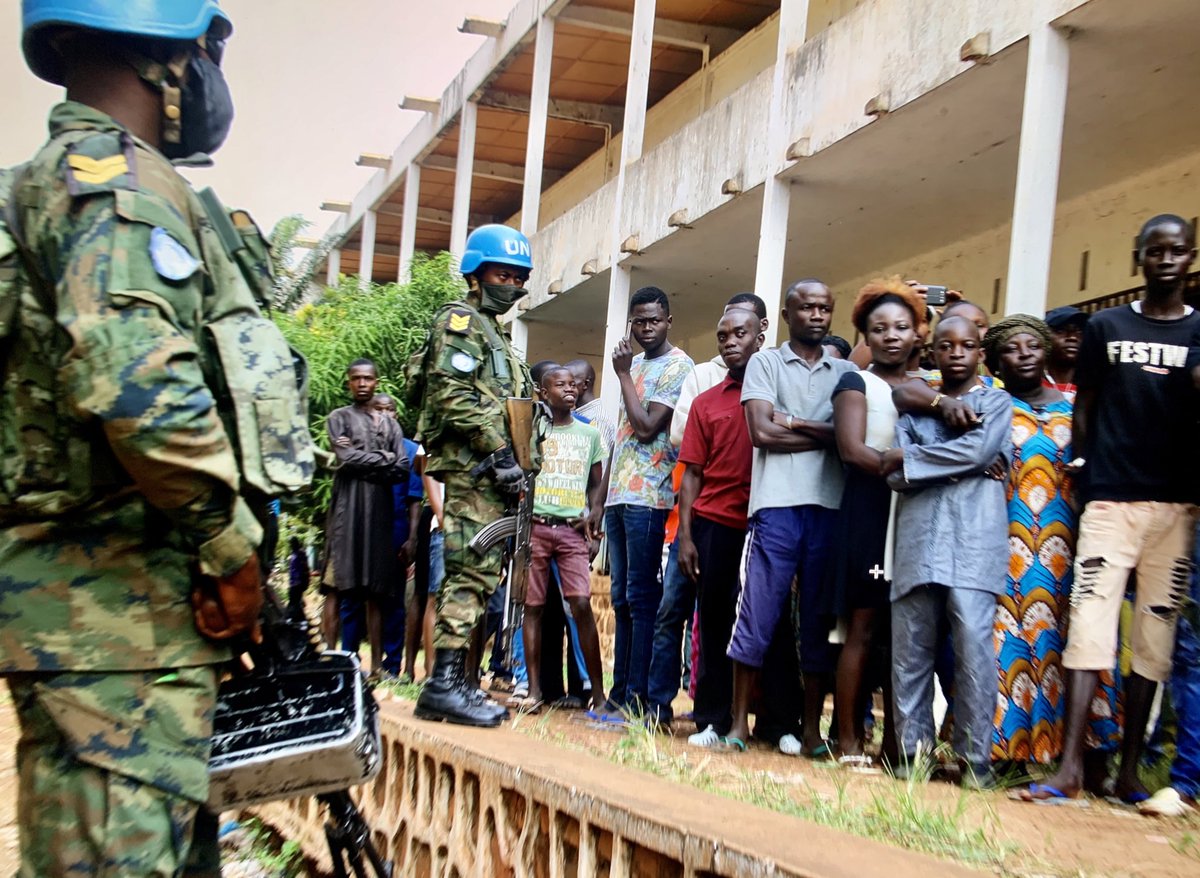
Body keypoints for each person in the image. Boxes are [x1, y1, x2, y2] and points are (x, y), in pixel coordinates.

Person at [1, 2, 315, 872]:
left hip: (103, 626)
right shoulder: (117, 184)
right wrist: (231, 549)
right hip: (116, 627)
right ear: (166, 60)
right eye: (210, 51)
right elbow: (139, 386)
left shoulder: (63, 180)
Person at [1026, 214, 1200, 802]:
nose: (1167, 260)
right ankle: (1070, 768)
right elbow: (1087, 405)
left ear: (1190, 256)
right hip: (1110, 501)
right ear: (1139, 256)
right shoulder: (1105, 326)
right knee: (1090, 629)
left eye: (1178, 251)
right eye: (1156, 251)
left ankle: (1128, 772)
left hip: (1177, 508)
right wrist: (1083, 463)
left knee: (1153, 637)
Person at [413, 224, 536, 728]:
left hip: (497, 475)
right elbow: (452, 395)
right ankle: (442, 685)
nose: (510, 283)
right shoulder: (460, 322)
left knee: (483, 576)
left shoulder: (496, 336)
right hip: (475, 470)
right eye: (501, 273)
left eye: (518, 276)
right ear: (476, 274)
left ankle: (459, 682)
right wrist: (500, 454)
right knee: (469, 572)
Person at [726, 279, 855, 755]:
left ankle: (812, 732)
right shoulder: (765, 362)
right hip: (775, 507)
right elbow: (761, 432)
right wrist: (829, 436)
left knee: (821, 622)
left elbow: (850, 435)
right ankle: (739, 724)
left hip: (828, 508)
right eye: (807, 307)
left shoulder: (844, 371)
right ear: (787, 314)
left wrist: (797, 422)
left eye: (825, 307)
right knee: (757, 613)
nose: (817, 315)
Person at [882, 315, 1012, 788]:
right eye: (946, 345)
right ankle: (913, 757)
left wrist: (914, 460)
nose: (957, 352)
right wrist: (968, 462)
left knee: (975, 652)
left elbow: (975, 454)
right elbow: (892, 474)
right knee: (910, 653)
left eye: (968, 345)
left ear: (981, 352)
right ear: (933, 351)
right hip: (919, 540)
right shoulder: (916, 407)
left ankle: (975, 762)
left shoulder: (996, 401)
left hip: (975, 540)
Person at [647, 293, 768, 728]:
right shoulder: (707, 398)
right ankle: (711, 718)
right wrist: (687, 537)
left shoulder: (775, 393)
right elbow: (691, 471)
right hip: (715, 525)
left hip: (764, 524)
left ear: (761, 334)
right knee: (712, 622)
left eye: (740, 333)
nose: (730, 342)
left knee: (763, 623)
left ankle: (774, 721)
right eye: (723, 336)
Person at [825, 279, 924, 766]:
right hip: (868, 515)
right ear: (864, 333)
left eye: (901, 327)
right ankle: (847, 741)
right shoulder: (856, 383)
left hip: (920, 521)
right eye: (878, 328)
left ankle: (896, 747)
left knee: (903, 636)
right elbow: (853, 451)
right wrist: (919, 462)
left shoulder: (932, 387)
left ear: (918, 333)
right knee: (861, 630)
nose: (890, 336)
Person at [593, 286, 693, 717]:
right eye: (638, 321)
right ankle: (620, 694)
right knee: (619, 597)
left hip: (650, 496)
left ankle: (637, 697)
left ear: (669, 320)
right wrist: (598, 501)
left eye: (653, 320)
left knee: (640, 596)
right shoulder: (631, 364)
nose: (646, 328)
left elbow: (648, 425)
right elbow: (620, 435)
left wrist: (620, 376)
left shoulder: (679, 365)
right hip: (618, 496)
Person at [982, 316, 1077, 768]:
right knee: (1005, 642)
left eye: (1031, 346)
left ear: (1045, 352)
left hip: (1062, 544)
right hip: (1004, 540)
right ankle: (1002, 751)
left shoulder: (1073, 411)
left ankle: (1053, 750)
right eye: (1011, 348)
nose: (1023, 354)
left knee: (1057, 642)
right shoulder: (990, 405)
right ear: (997, 361)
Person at [520, 366, 608, 712]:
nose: (569, 390)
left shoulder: (591, 435)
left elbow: (596, 484)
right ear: (544, 393)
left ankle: (599, 694)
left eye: (573, 385)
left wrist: (594, 517)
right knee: (533, 607)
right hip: (537, 528)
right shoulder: (532, 433)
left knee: (582, 604)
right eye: (560, 385)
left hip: (572, 531)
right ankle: (533, 690)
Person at [321, 361, 410, 674]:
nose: (362, 383)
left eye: (368, 378)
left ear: (376, 381)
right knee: (346, 589)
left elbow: (401, 466)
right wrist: (382, 459)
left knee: (376, 591)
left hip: (379, 514)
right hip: (347, 512)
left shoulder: (390, 425)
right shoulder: (339, 418)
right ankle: (341, 661)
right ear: (348, 383)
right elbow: (344, 460)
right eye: (356, 378)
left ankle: (375, 667)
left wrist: (366, 459)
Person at [1043, 305, 1090, 403]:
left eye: (1080, 332)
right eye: (1061, 331)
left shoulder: (1093, 388)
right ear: (1044, 337)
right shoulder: (1030, 385)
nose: (1073, 337)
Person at [288, 536, 311, 622]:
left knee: (294, 601)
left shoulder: (296, 556)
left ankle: (299, 619)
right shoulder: (301, 554)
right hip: (300, 582)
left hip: (297, 583)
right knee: (296, 601)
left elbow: (296, 571)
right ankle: (299, 618)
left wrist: (295, 582)